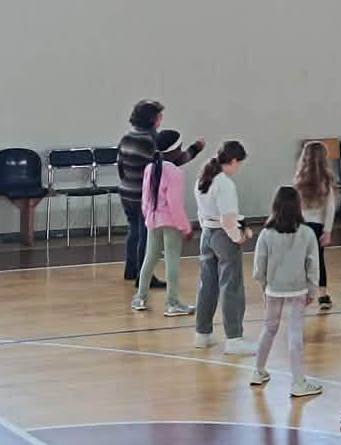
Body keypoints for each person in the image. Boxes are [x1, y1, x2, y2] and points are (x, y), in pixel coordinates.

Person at [117, 100, 202, 284]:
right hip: (143, 195)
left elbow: (120, 165)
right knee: (146, 236)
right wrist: (195, 149)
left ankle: (131, 269)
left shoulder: (127, 137)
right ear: (152, 119)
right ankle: (144, 276)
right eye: (159, 115)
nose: (161, 118)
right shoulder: (152, 141)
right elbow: (170, 163)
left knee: (134, 231)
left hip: (126, 191)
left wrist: (127, 182)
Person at [251, 187, 323, 398]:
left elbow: (259, 267)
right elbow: (313, 265)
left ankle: (258, 371)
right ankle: (298, 382)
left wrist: (264, 286)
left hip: (273, 289)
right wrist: (312, 290)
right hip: (298, 290)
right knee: (295, 335)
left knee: (268, 329)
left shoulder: (266, 234)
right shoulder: (307, 233)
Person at [193, 141, 253, 355]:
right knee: (231, 286)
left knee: (207, 285)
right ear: (234, 160)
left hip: (207, 235)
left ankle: (202, 334)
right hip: (223, 237)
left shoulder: (203, 178)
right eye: (240, 163)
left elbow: (201, 214)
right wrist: (238, 237)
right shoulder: (224, 184)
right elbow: (228, 220)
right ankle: (234, 338)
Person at [133, 129, 193, 316]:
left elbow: (145, 199)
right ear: (175, 150)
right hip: (171, 223)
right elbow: (175, 205)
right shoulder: (175, 173)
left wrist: (148, 217)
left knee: (149, 258)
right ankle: (172, 303)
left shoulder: (149, 168)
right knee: (172, 262)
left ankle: (140, 298)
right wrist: (185, 227)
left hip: (153, 221)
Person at [293, 140, 338, 314]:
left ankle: (301, 295)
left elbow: (295, 206)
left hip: (301, 226)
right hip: (317, 227)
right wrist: (327, 230)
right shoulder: (326, 181)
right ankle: (323, 295)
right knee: (318, 261)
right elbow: (330, 208)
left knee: (301, 261)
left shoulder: (298, 180)